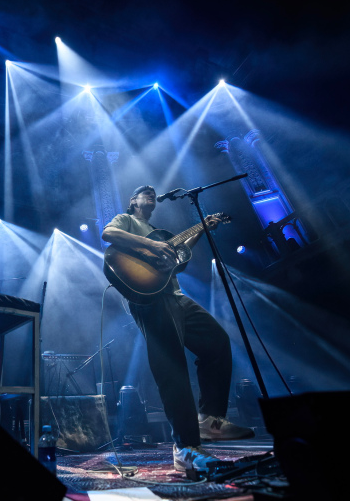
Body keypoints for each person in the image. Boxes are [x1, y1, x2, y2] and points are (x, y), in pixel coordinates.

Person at [102, 185, 254, 474]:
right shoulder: (126, 220)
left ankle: (210, 420)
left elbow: (179, 256)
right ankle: (185, 446)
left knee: (217, 342)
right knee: (171, 364)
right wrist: (151, 245)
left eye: (151, 192)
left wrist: (203, 228)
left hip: (175, 294)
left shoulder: (158, 230)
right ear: (133, 201)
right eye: (143, 192)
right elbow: (108, 235)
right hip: (150, 298)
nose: (149, 193)